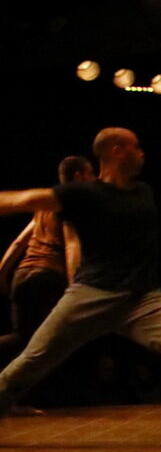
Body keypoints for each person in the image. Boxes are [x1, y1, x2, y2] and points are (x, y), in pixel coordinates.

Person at [0, 129, 161, 446]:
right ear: (117, 150)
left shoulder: (143, 192)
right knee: (31, 361)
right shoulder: (84, 194)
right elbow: (25, 200)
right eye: (136, 147)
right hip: (91, 294)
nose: (142, 153)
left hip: (144, 298)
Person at [0, 156, 95, 364]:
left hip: (22, 276)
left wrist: (2, 272)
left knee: (22, 340)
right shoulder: (71, 204)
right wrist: (74, 287)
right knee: (56, 344)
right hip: (48, 278)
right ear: (78, 177)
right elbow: (71, 245)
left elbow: (19, 242)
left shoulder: (44, 205)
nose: (94, 179)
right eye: (90, 174)